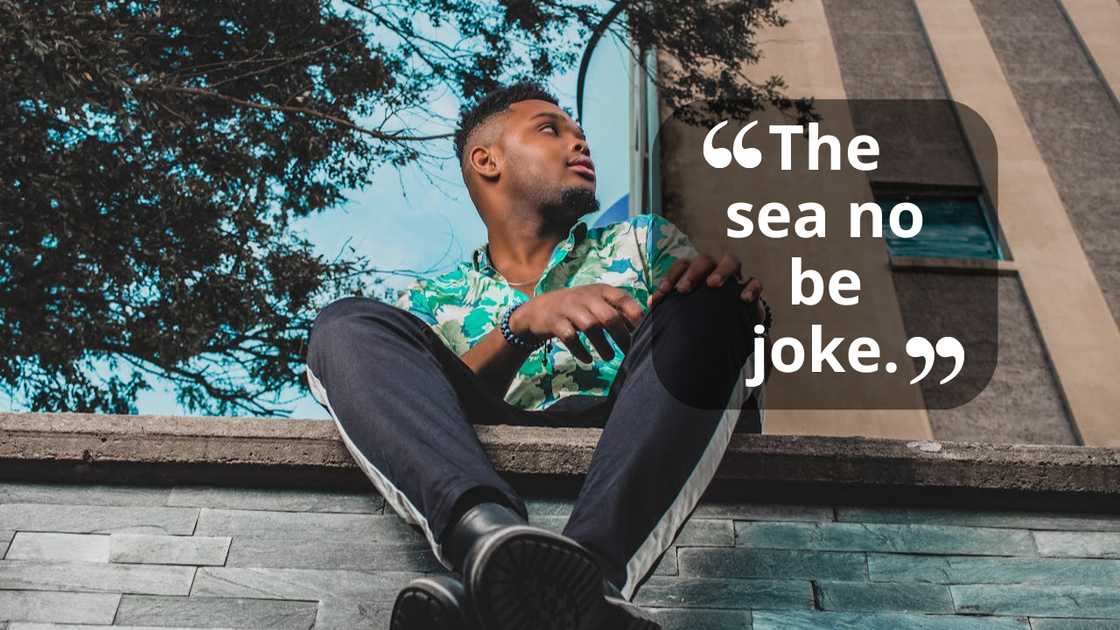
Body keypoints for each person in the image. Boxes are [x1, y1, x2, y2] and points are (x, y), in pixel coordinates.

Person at [305, 82, 771, 630]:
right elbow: (414, 406)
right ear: (487, 160)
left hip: (627, 427)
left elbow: (715, 359)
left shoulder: (643, 243)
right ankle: (487, 539)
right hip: (475, 444)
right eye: (551, 130)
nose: (580, 143)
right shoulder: (428, 302)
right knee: (345, 324)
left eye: (580, 133)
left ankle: (585, 574)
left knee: (714, 301)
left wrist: (731, 302)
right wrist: (520, 325)